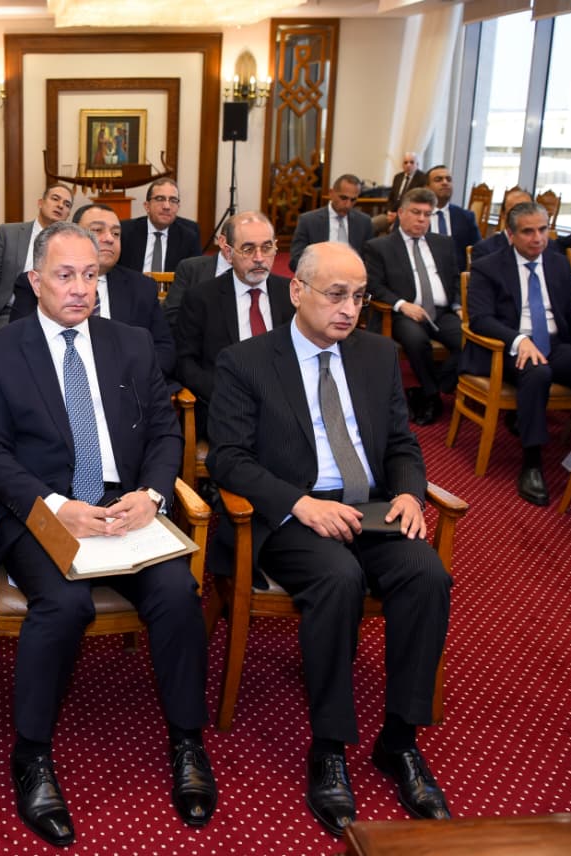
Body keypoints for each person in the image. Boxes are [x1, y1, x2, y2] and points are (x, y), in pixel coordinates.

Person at [0, 221, 217, 847]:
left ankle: (187, 741)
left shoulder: (130, 342)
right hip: (43, 508)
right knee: (64, 603)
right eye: (65, 275)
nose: (81, 288)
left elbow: (164, 432)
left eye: (90, 275)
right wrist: (54, 506)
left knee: (177, 594)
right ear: (35, 281)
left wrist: (150, 495)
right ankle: (32, 754)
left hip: (125, 506)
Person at [208, 241, 453, 838]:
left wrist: (408, 493)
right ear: (297, 291)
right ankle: (330, 747)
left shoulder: (376, 354)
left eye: (359, 297)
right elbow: (229, 460)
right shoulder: (246, 361)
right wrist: (300, 504)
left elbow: (402, 445)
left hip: (371, 508)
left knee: (428, 574)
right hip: (295, 514)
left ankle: (399, 741)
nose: (349, 309)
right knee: (338, 578)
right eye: (336, 294)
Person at [464, 202, 571, 505]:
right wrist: (518, 339)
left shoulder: (558, 263)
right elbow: (480, 318)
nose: (538, 238)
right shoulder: (488, 266)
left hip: (555, 343)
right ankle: (532, 463)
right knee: (537, 372)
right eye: (528, 232)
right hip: (510, 347)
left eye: (543, 230)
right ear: (510, 235)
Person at [9, 204, 176, 382]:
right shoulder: (37, 283)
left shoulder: (142, 287)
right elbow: (18, 348)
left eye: (116, 233)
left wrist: (121, 382)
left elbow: (164, 350)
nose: (109, 238)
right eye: (97, 230)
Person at [175, 212, 293, 439]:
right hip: (226, 409)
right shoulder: (201, 298)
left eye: (267, 247)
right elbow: (185, 362)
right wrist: (225, 393)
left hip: (283, 408)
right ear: (228, 253)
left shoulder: (291, 294)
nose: (259, 258)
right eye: (248, 249)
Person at [363, 187, 462, 425]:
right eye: (416, 212)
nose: (422, 219)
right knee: (418, 342)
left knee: (470, 341)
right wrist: (401, 305)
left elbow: (456, 278)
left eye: (427, 214)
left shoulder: (443, 243)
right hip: (404, 314)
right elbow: (374, 285)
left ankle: (430, 388)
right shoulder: (380, 246)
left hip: (442, 312)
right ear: (400, 213)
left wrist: (459, 306)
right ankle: (432, 396)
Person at [0, 184, 74, 328]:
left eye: (67, 204)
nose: (60, 206)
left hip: (55, 314)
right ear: (40, 203)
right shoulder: (9, 233)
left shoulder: (71, 243)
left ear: (68, 214)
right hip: (10, 312)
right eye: (55, 199)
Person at [117, 178, 202, 275]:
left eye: (173, 200)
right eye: (160, 199)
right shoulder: (125, 232)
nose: (167, 206)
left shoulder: (189, 234)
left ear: (178, 207)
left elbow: (195, 274)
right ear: (147, 206)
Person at [289, 175, 373, 270]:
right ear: (331, 193)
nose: (348, 205)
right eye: (343, 198)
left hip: (353, 275)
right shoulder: (308, 221)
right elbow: (296, 259)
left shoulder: (364, 222)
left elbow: (370, 259)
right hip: (319, 274)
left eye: (353, 200)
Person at [167, 232, 231, 328]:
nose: (254, 256)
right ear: (222, 242)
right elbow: (172, 314)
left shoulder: (254, 274)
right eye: (247, 247)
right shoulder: (190, 268)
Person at [424, 166, 480, 272]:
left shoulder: (466, 217)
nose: (445, 183)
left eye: (448, 179)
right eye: (438, 179)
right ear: (427, 188)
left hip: (457, 276)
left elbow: (478, 251)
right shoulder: (415, 215)